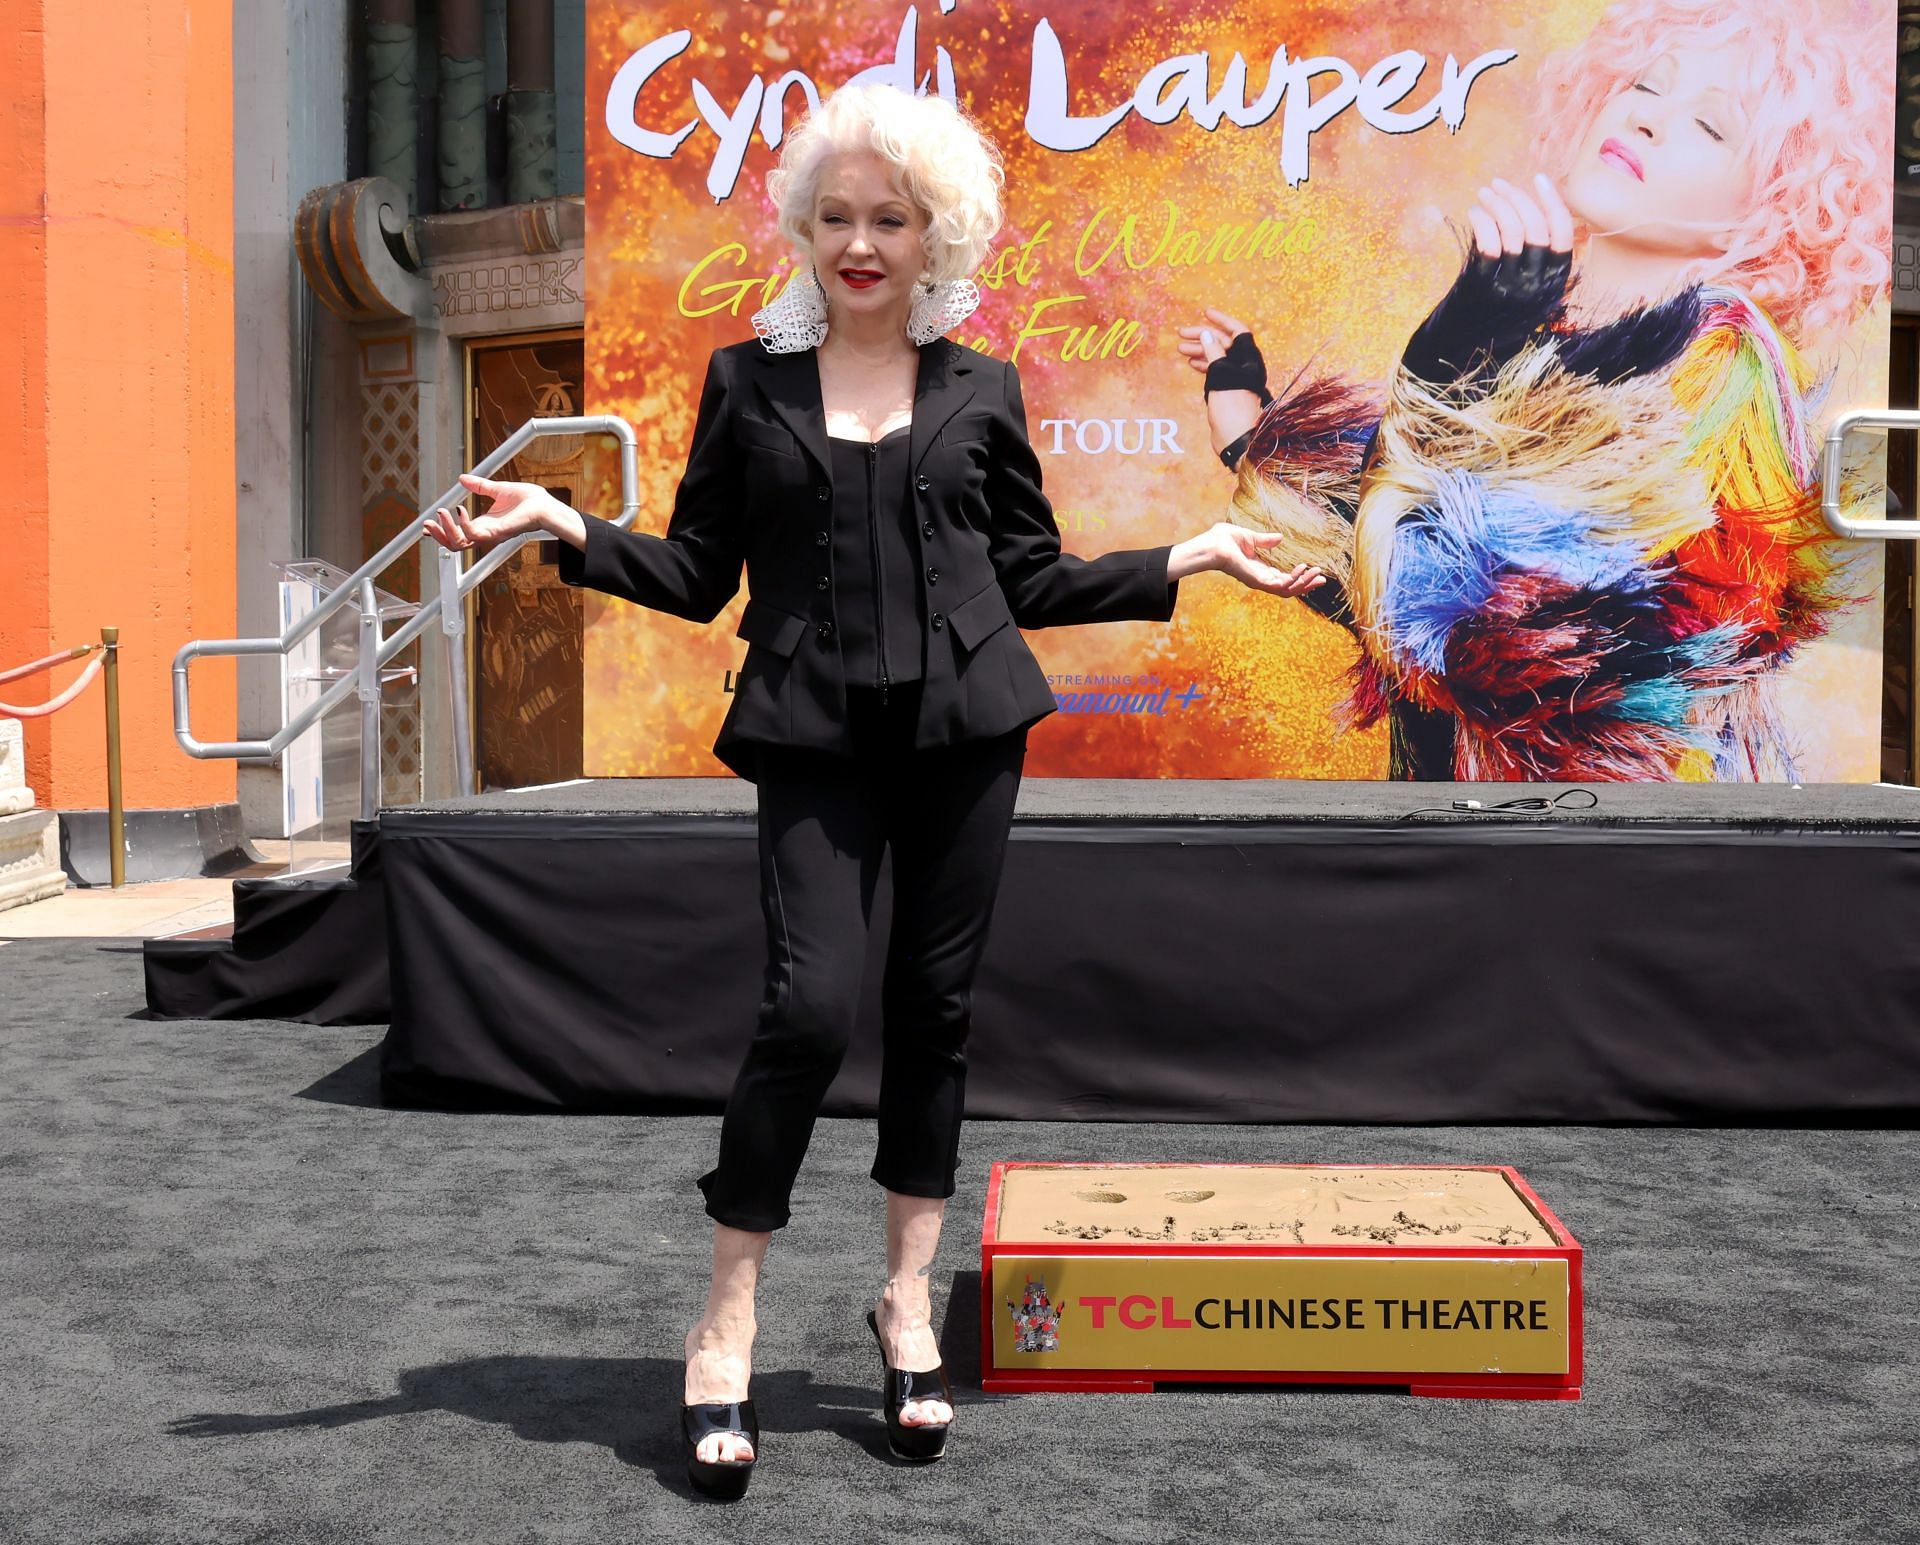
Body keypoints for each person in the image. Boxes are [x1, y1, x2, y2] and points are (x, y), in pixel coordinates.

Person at [423, 82, 1325, 1498]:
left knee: (935, 1009)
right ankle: (726, 1318)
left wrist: (1188, 556)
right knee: (807, 1008)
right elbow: (699, 573)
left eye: (888, 218)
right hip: (810, 734)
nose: (859, 240)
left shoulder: (984, 386)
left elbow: (1028, 576)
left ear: (933, 236)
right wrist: (566, 526)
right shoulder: (745, 384)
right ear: (804, 228)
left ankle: (905, 1302)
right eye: (836, 215)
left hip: (969, 731)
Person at [1178, 0, 1892, 781]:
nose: (1648, 120)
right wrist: (1253, 430)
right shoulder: (1541, 336)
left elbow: (1502, 640)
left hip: (1596, 856)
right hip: (1464, 834)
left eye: (1711, 126)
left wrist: (1444, 364)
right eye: (1648, 86)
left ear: (1776, 205)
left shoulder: (1726, 366)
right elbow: (1377, 571)